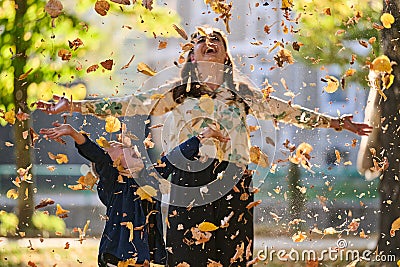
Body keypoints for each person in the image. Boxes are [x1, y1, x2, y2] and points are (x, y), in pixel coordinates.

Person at [36, 26, 372, 266]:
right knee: (187, 257)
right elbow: (129, 104)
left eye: (216, 40)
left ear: (225, 55)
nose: (208, 42)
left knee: (234, 256)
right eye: (200, 41)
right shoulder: (176, 91)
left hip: (235, 181)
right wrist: (74, 105)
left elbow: (287, 111)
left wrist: (337, 122)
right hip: (188, 182)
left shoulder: (242, 91)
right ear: (192, 57)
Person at [39, 122, 167, 267]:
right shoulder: (113, 184)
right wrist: (74, 133)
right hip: (115, 256)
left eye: (131, 150)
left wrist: (197, 141)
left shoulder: (147, 180)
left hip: (140, 257)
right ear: (113, 163)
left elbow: (168, 163)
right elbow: (99, 157)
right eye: (124, 151)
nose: (132, 150)